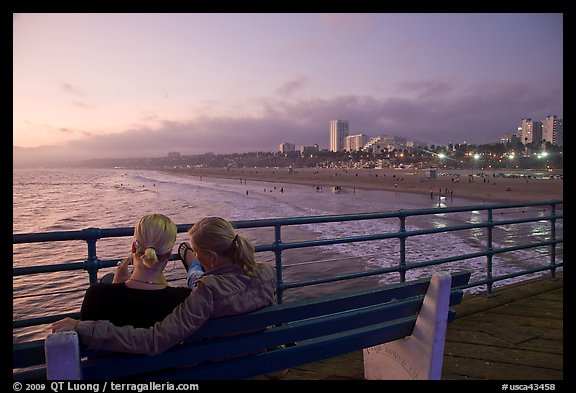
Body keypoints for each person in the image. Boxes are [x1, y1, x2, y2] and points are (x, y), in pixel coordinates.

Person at [52, 216, 276, 356]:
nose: (195, 256)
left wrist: (82, 326)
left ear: (212, 257)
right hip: (253, 355)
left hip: (219, 363)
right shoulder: (267, 273)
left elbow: (154, 340)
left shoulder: (205, 291)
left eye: (196, 253)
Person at [80, 214, 191, 328]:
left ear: (133, 248)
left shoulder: (97, 295)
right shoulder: (185, 301)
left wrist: (116, 287)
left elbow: (91, 334)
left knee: (108, 278)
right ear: (168, 255)